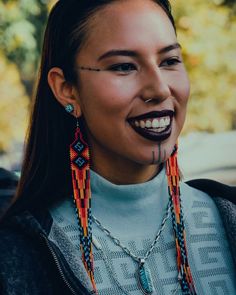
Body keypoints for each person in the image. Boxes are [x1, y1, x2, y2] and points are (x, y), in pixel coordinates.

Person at [0, 0, 235, 294]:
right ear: (66, 89)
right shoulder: (17, 256)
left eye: (169, 61)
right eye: (124, 66)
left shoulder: (227, 216)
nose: (160, 89)